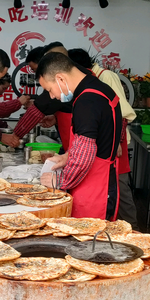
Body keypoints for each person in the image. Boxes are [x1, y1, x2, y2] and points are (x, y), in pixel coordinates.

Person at [37, 52, 122, 220]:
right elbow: (97, 137)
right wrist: (66, 157)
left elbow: (86, 150)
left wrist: (60, 181)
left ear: (60, 79)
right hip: (101, 181)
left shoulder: (87, 100)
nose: (52, 96)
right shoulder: (98, 88)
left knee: (89, 241)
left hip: (95, 190)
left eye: (49, 90)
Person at [68, 48, 138, 229]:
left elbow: (122, 112)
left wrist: (118, 140)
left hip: (115, 142)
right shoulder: (90, 81)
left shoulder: (106, 77)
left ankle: (134, 232)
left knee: (119, 189)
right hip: (107, 141)